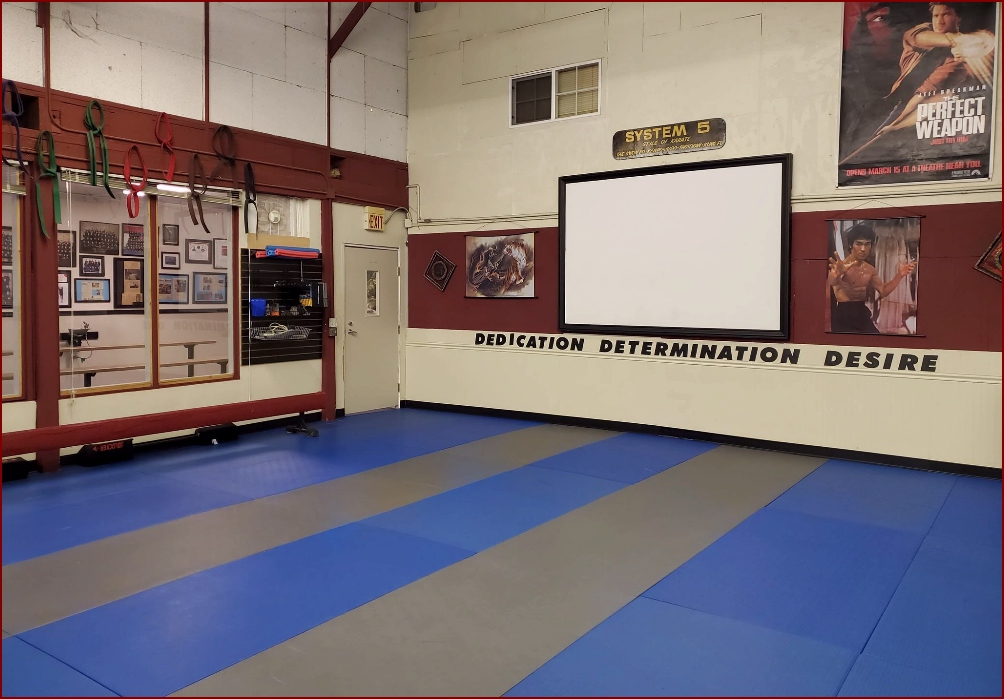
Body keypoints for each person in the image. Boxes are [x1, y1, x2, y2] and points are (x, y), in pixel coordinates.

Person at [875, 2, 995, 138]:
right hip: (891, 101)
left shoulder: (958, 61)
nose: (939, 22)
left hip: (912, 111)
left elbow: (927, 94)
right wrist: (963, 41)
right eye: (936, 16)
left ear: (958, 18)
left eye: (946, 14)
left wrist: (896, 125)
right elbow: (916, 38)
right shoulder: (923, 30)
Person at [828, 223, 917, 334]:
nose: (863, 249)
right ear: (851, 245)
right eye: (858, 244)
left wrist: (900, 275)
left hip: (861, 312)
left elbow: (883, 290)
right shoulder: (842, 267)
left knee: (876, 339)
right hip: (844, 315)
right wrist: (835, 274)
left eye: (867, 244)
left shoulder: (870, 269)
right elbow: (832, 282)